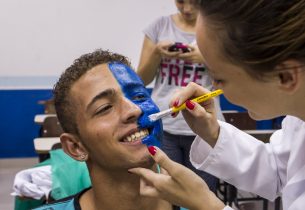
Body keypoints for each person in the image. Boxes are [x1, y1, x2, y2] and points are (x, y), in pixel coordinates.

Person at [129, 0, 305, 210]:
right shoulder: (298, 121)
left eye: (219, 78)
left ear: (285, 77)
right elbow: (278, 169)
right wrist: (212, 132)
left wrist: (206, 204)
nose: (212, 86)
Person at [33, 49, 171, 210]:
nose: (134, 110)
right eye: (105, 108)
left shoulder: (201, 204)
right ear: (75, 147)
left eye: (140, 96)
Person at [137, 0, 223, 200]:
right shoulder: (159, 26)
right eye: (181, 2)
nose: (187, 9)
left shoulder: (217, 27)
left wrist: (206, 58)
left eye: (195, 2)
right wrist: (156, 53)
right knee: (165, 196)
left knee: (204, 197)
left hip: (205, 126)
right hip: (164, 125)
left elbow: (227, 81)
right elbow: (142, 79)